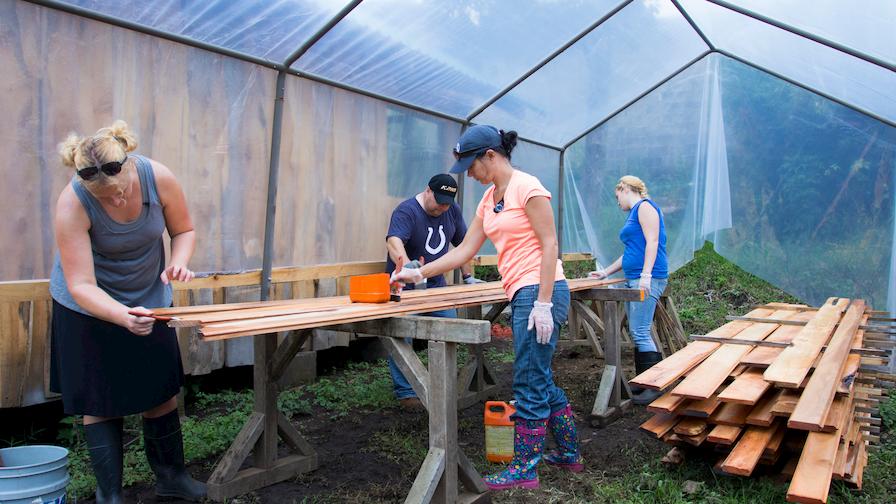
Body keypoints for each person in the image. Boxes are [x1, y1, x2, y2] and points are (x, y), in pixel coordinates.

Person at [392, 125, 582, 491]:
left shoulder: (528, 188)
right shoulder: (488, 199)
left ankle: (525, 467)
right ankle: (570, 452)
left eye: (472, 166)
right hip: (521, 292)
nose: (470, 175)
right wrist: (420, 273)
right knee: (537, 376)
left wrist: (543, 302)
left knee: (527, 380)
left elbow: (549, 243)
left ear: (491, 156)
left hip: (539, 290)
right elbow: (464, 252)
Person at [48, 120, 206, 502]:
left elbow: (183, 230)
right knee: (99, 400)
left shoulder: (157, 177)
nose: (116, 201)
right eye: (106, 199)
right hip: (88, 307)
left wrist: (178, 263)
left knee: (161, 389)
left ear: (131, 165)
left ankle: (172, 480)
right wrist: (120, 316)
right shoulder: (72, 203)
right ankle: (110, 495)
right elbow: (81, 284)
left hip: (150, 296)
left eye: (121, 192)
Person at [385, 174, 483, 410]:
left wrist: (469, 277)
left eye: (447, 203)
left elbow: (463, 245)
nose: (442, 207)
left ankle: (444, 385)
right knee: (400, 336)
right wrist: (408, 266)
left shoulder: (452, 210)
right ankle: (407, 392)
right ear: (427, 191)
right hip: (403, 292)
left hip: (436, 289)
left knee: (451, 329)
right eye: (439, 201)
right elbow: (393, 242)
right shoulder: (406, 211)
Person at [590, 175, 668, 405]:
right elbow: (631, 252)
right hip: (633, 277)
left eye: (617, 197)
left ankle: (654, 387)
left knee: (640, 330)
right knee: (637, 332)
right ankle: (643, 383)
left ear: (624, 188)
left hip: (647, 278)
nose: (617, 203)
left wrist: (646, 276)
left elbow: (653, 242)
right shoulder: (634, 213)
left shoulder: (645, 207)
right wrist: (606, 272)